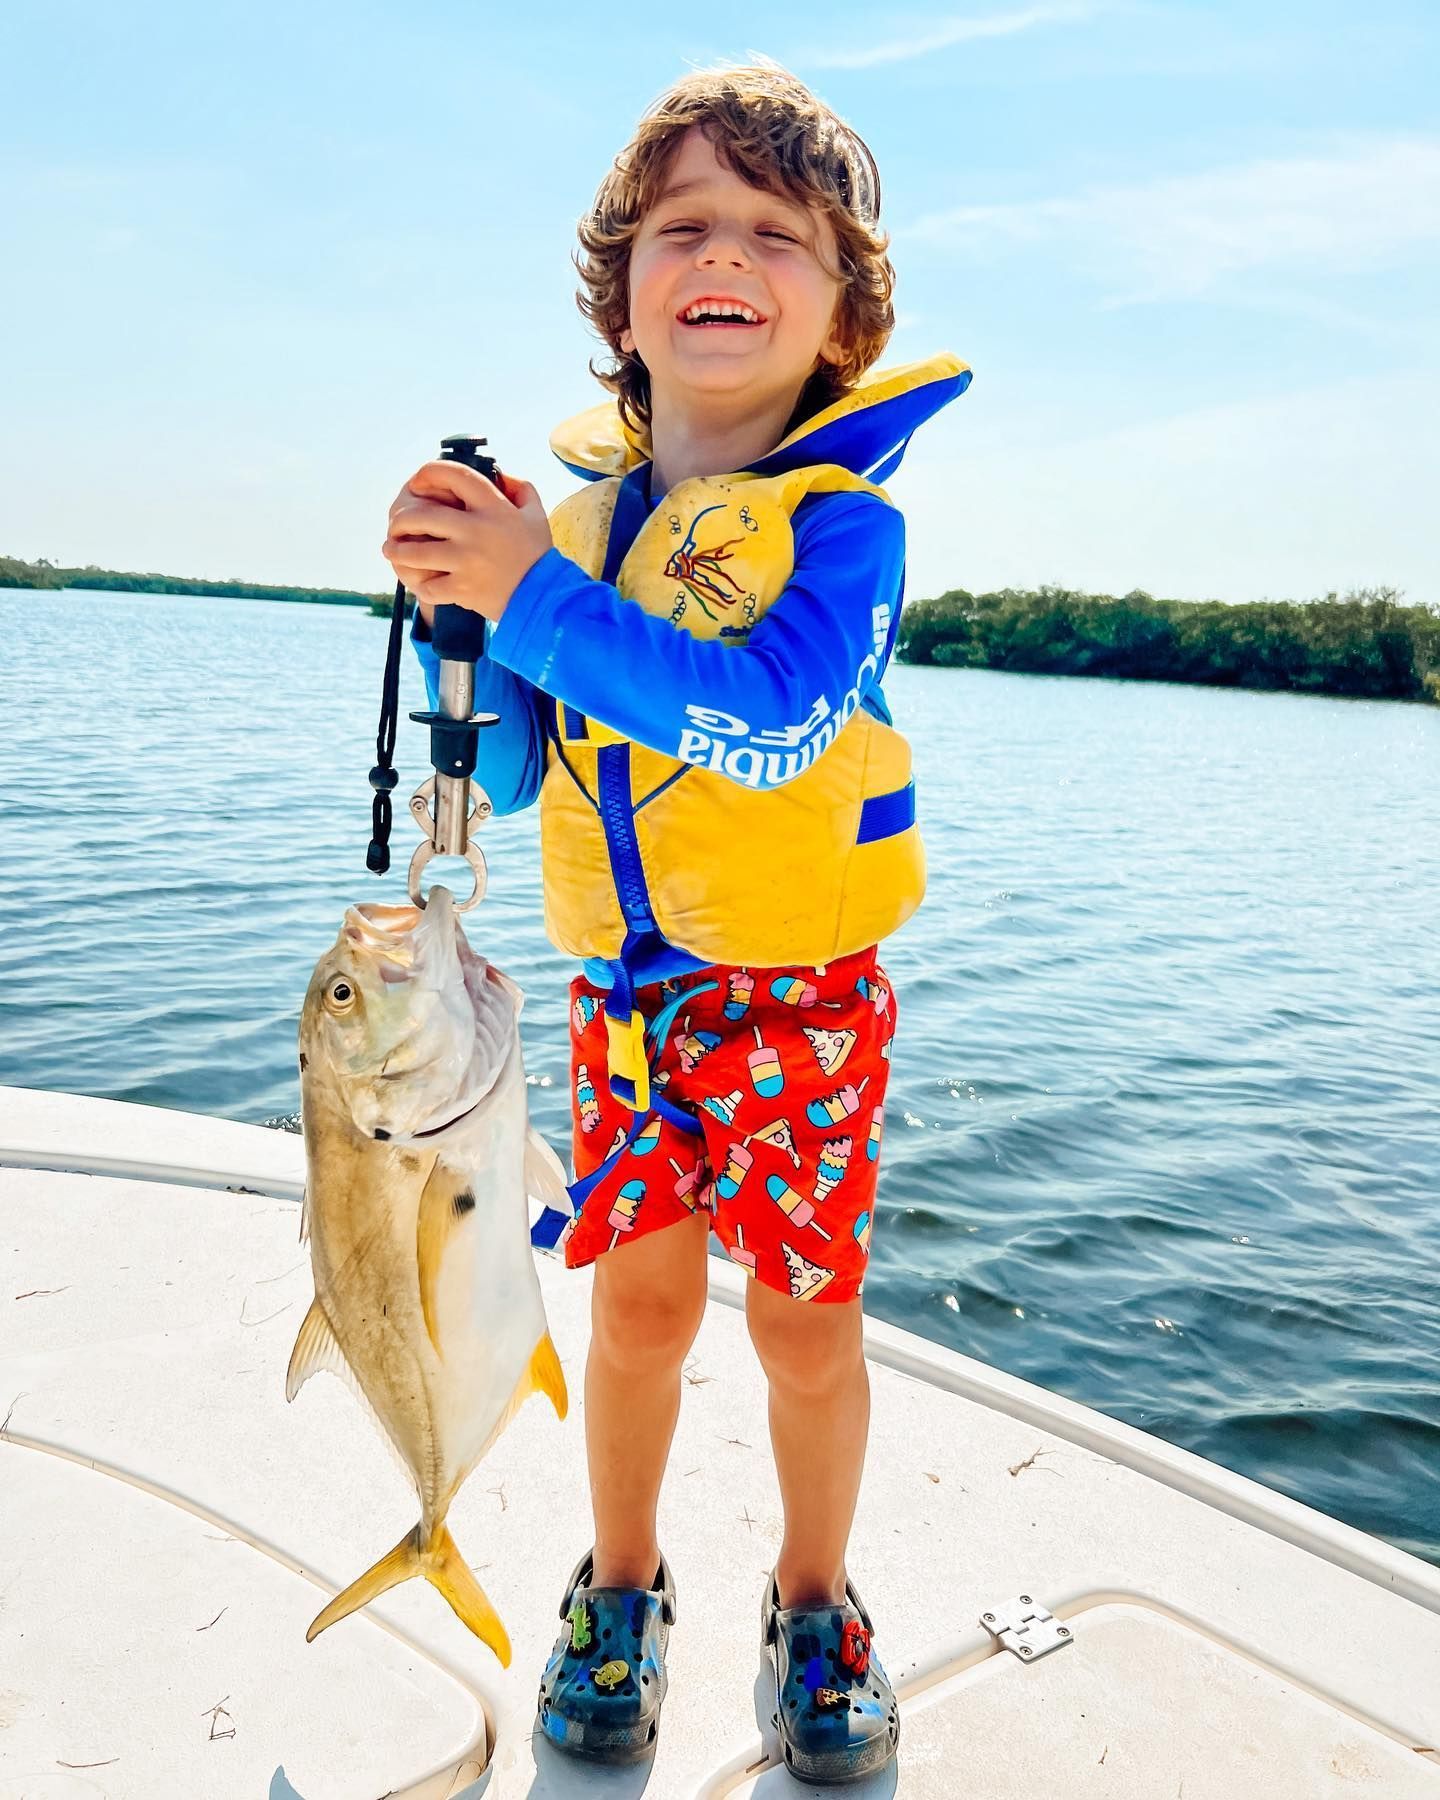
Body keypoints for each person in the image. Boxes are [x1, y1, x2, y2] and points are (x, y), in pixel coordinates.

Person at [381, 57, 970, 1783]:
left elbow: (772, 727)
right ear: (623, 292)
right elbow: (506, 781)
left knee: (802, 1324)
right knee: (634, 1311)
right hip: (620, 1006)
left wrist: (534, 600)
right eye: (684, 225)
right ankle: (620, 1586)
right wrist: (461, 625)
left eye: (776, 231)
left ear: (843, 314)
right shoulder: (570, 533)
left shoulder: (845, 533)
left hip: (798, 1005)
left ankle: (813, 1598)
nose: (726, 251)